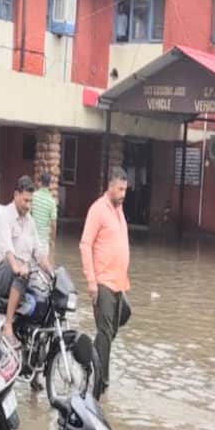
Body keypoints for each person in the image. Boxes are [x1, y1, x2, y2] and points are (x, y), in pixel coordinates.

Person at [80, 167, 131, 397]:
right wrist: (91, 281)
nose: (123, 194)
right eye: (120, 189)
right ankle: (99, 386)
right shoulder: (97, 210)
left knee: (119, 320)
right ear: (110, 186)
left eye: (125, 190)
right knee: (105, 331)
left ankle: (93, 354)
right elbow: (85, 244)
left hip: (119, 282)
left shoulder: (119, 210)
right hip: (103, 282)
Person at [0, 175, 54, 344]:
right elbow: (7, 250)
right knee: (22, 273)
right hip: (3, 272)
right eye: (25, 201)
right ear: (15, 195)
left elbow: (39, 252)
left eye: (30, 202)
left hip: (23, 270)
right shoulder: (6, 216)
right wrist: (18, 267)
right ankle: (7, 325)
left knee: (42, 292)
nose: (28, 205)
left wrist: (51, 272)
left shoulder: (31, 222)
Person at [30, 171, 58, 260]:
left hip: (31, 241)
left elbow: (28, 216)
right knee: (42, 270)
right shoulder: (52, 202)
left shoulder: (33, 196)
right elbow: (53, 224)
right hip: (43, 243)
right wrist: (52, 240)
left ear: (40, 182)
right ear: (49, 184)